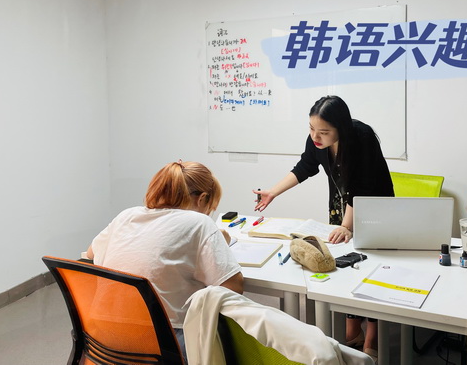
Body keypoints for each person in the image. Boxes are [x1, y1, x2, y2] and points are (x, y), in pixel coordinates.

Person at [253, 95, 393, 360]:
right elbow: (305, 166)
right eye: (311, 128)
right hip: (342, 206)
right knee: (347, 263)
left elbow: (362, 188)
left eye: (324, 132)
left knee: (371, 268)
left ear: (341, 128)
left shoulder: (362, 138)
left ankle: (373, 334)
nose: (315, 136)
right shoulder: (316, 138)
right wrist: (273, 192)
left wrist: (347, 226)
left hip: (373, 208)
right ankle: (353, 328)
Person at [86, 160, 243, 363]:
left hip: (102, 339)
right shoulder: (200, 222)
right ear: (202, 199)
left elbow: (90, 253)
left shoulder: (127, 215)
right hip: (162, 344)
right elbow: (233, 287)